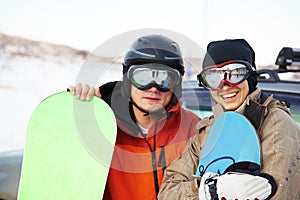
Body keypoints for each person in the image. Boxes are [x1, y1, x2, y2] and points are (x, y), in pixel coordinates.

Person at [158, 39, 300, 199]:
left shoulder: (275, 123)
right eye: (213, 77)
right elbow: (167, 192)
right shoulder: (209, 130)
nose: (225, 86)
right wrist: (205, 187)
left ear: (250, 76)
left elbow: (277, 192)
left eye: (235, 74)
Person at [69, 34, 201, 199]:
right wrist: (77, 111)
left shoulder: (194, 129)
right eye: (143, 77)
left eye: (165, 79)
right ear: (128, 80)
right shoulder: (102, 124)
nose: (153, 88)